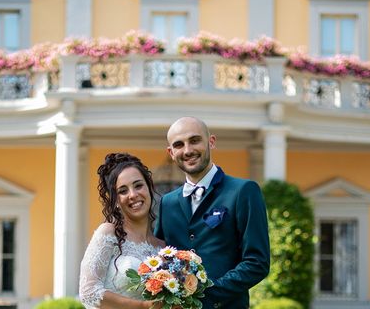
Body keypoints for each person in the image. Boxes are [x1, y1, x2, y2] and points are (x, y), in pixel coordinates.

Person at [154, 117, 270, 309]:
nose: (188, 150)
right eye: (179, 145)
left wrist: (205, 296)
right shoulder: (168, 202)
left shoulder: (243, 191)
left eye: (194, 140)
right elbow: (160, 256)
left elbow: (257, 262)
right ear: (171, 152)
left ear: (211, 142)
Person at [79, 153, 165, 309]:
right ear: (116, 200)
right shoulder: (108, 233)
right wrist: (143, 306)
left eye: (138, 185)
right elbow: (88, 292)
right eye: (123, 191)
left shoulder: (163, 248)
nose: (133, 195)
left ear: (149, 187)